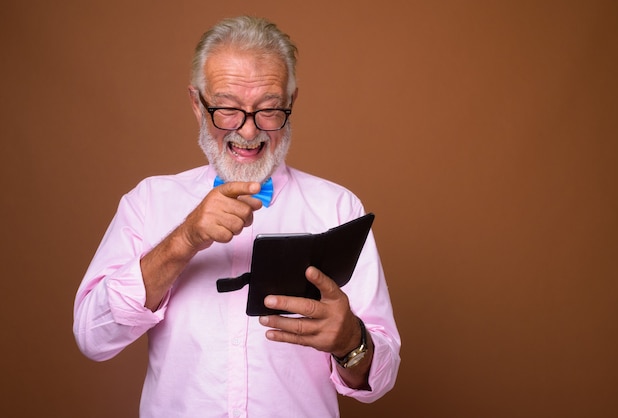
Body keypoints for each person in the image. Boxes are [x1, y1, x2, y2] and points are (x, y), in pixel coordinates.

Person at [73, 15, 401, 418]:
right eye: (227, 109)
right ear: (197, 104)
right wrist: (184, 239)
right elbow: (93, 337)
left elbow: (380, 378)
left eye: (268, 109)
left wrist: (352, 341)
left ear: (291, 103)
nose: (248, 132)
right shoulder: (148, 202)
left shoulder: (338, 208)